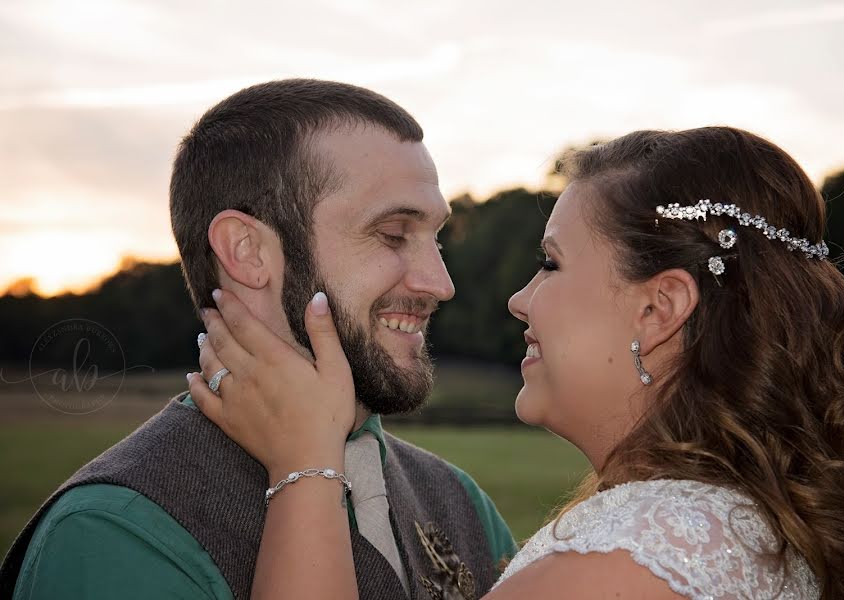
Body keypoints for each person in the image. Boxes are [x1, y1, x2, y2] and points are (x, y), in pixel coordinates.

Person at [187, 126, 844, 599]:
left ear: (658, 309)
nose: (518, 301)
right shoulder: (748, 524)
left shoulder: (618, 569)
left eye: (549, 264)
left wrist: (303, 467)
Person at [0, 79, 517, 600]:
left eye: (437, 236)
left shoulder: (461, 503)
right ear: (246, 250)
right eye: (392, 233)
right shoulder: (115, 535)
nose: (439, 283)